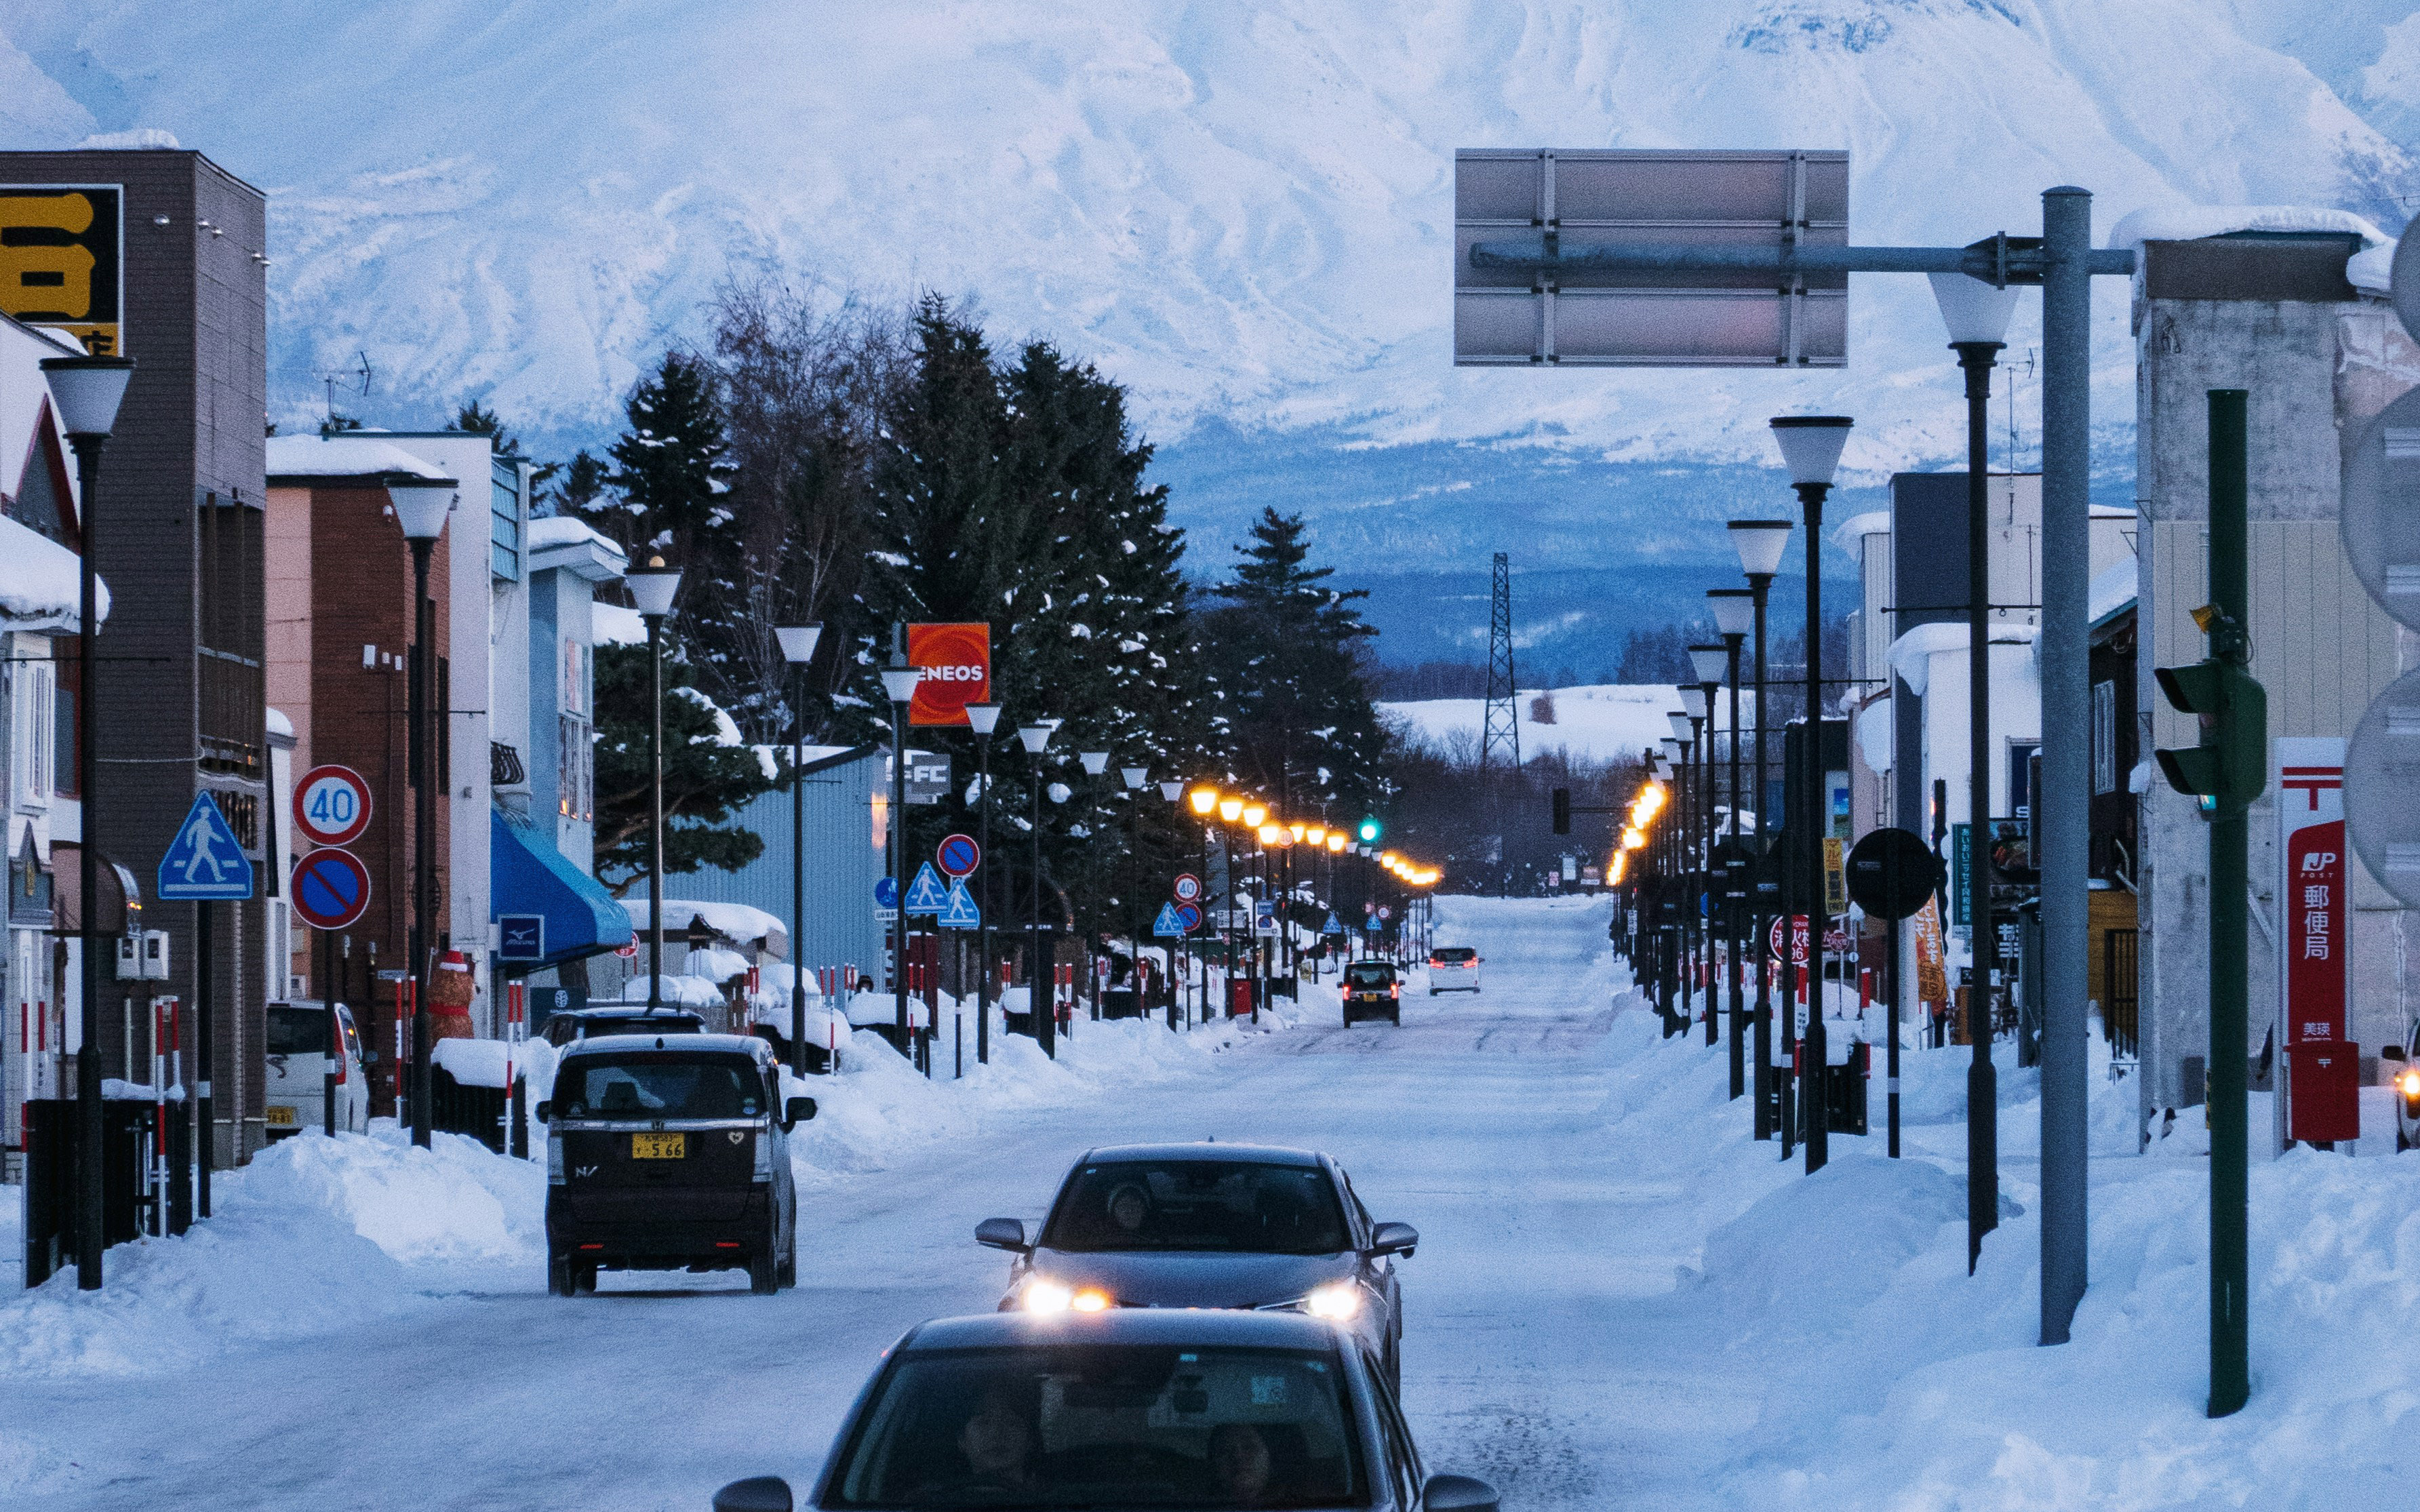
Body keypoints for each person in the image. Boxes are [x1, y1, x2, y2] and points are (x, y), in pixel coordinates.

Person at [1208, 1424, 1273, 1506]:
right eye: (1225, 1450)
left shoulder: (1291, 1502)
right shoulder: (1195, 1505)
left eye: (1249, 1447)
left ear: (1268, 1456)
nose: (1238, 1457)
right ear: (1214, 1463)